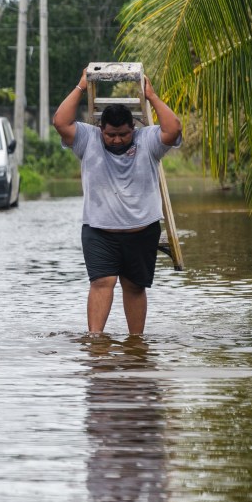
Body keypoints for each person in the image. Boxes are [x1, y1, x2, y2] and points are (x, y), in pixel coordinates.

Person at [52, 70, 182, 335]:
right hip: (99, 232)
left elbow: (173, 129)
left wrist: (152, 97)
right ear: (101, 128)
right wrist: (80, 86)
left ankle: (136, 346)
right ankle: (95, 343)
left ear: (133, 128)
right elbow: (60, 122)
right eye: (110, 135)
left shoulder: (147, 141)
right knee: (102, 282)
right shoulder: (88, 139)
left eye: (123, 134)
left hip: (141, 231)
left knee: (134, 287)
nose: (116, 140)